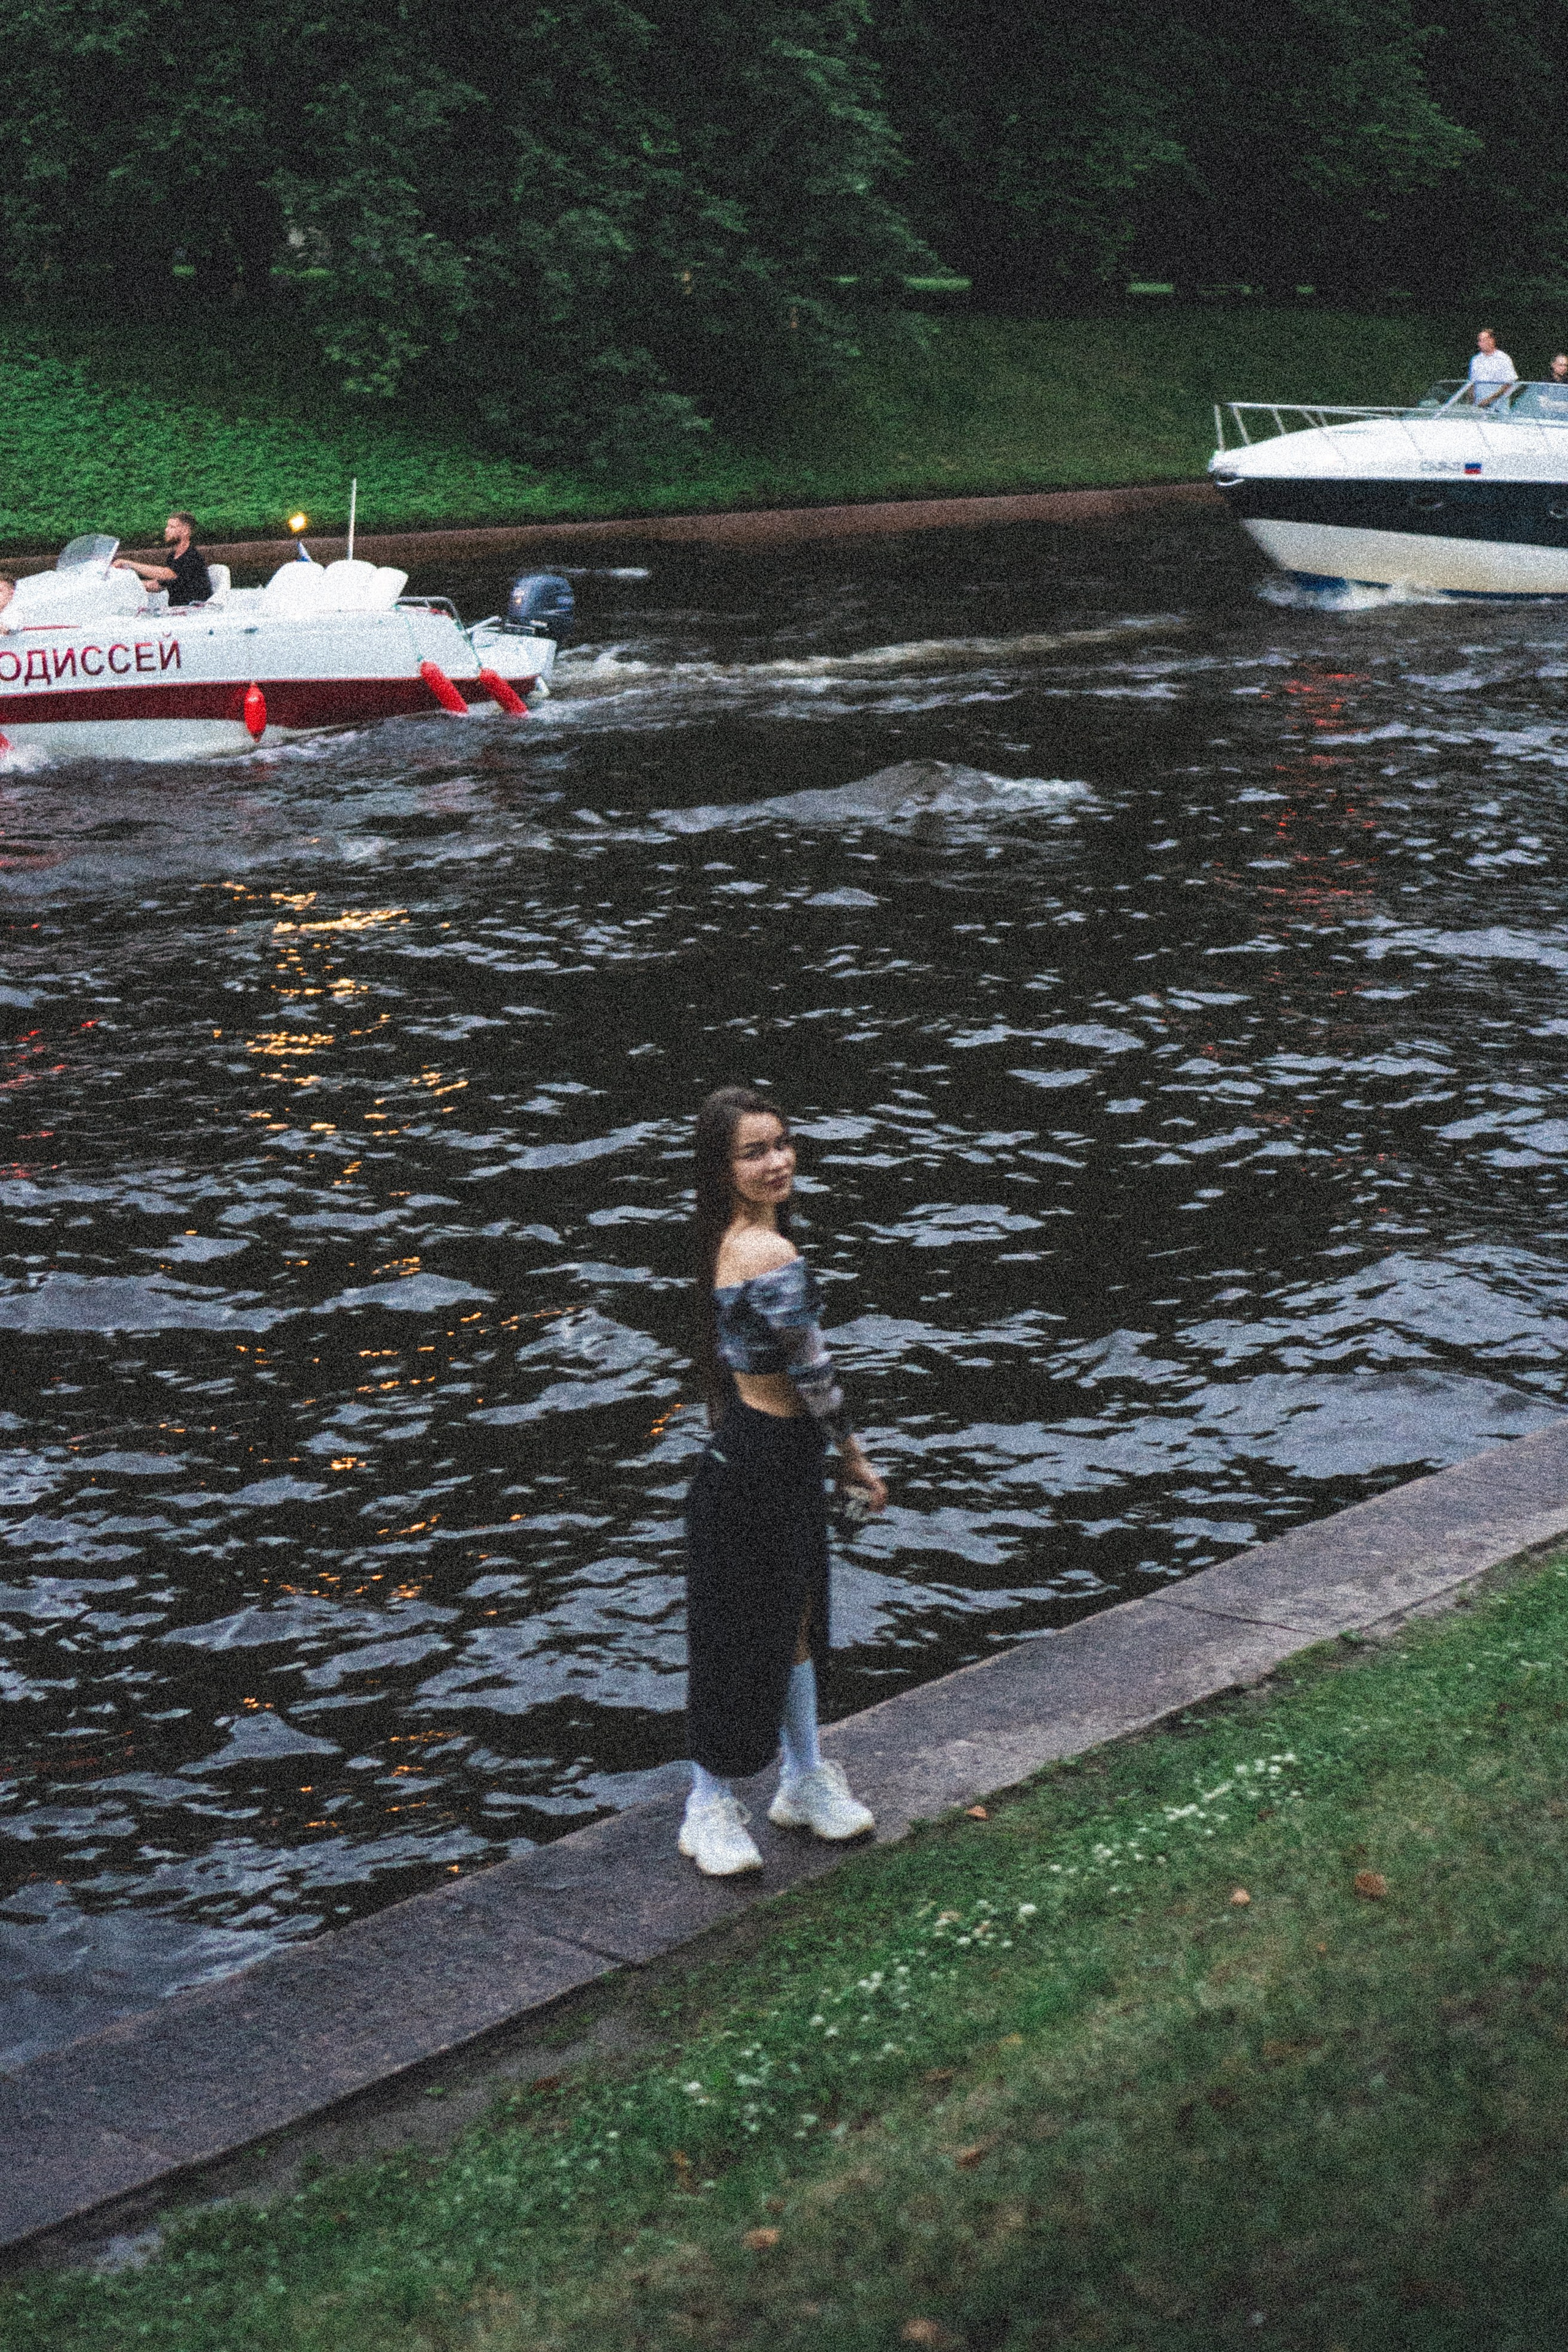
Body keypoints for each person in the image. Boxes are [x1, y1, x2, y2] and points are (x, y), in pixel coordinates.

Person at [680, 1085, 887, 1877]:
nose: (777, 1163)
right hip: (760, 1460)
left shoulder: (725, 1240)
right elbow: (816, 1376)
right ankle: (707, 1806)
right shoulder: (767, 1252)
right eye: (754, 1152)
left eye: (782, 1144)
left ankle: (802, 1780)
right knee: (740, 1632)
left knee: (794, 1619)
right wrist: (856, 1459)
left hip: (764, 1452)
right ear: (722, 1168)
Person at [114, 513, 212, 606]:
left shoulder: (192, 557)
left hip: (195, 610)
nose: (166, 530)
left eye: (172, 527)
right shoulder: (172, 557)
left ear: (186, 531)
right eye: (168, 526)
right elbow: (157, 585)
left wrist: (129, 563)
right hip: (178, 611)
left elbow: (167, 574)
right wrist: (124, 584)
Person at [1466, 328, 1518, 409]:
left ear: (1492, 340)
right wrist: (1471, 402)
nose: (1481, 343)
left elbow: (1509, 384)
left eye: (1484, 340)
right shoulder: (1476, 360)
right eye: (1480, 341)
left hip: (1498, 406)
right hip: (1478, 406)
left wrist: (1489, 400)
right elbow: (1472, 383)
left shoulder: (1503, 358)